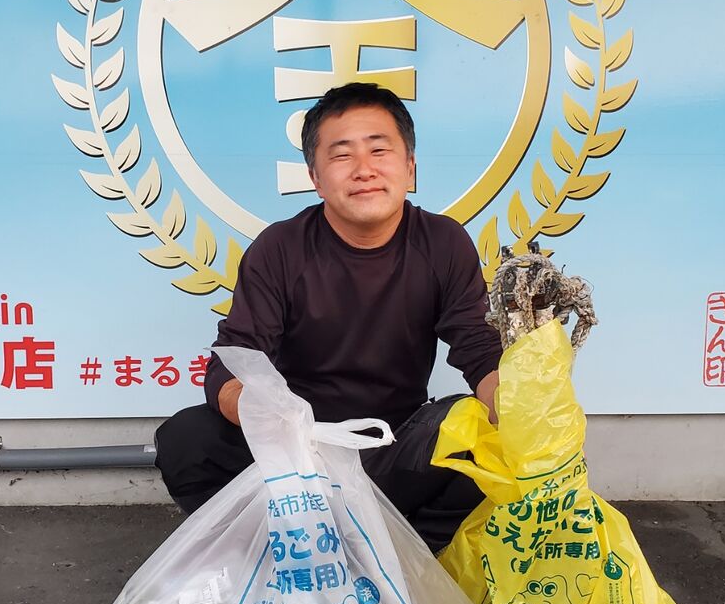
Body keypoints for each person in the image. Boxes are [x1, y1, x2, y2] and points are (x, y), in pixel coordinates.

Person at [154, 82, 501, 549]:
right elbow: (232, 360)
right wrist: (271, 419)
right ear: (316, 178)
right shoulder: (280, 248)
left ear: (410, 167)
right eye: (342, 156)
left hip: (392, 447)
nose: (364, 170)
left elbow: (479, 347)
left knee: (478, 432)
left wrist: (523, 413)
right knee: (187, 440)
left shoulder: (443, 242)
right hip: (296, 452)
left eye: (379, 150)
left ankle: (406, 561)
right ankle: (280, 556)